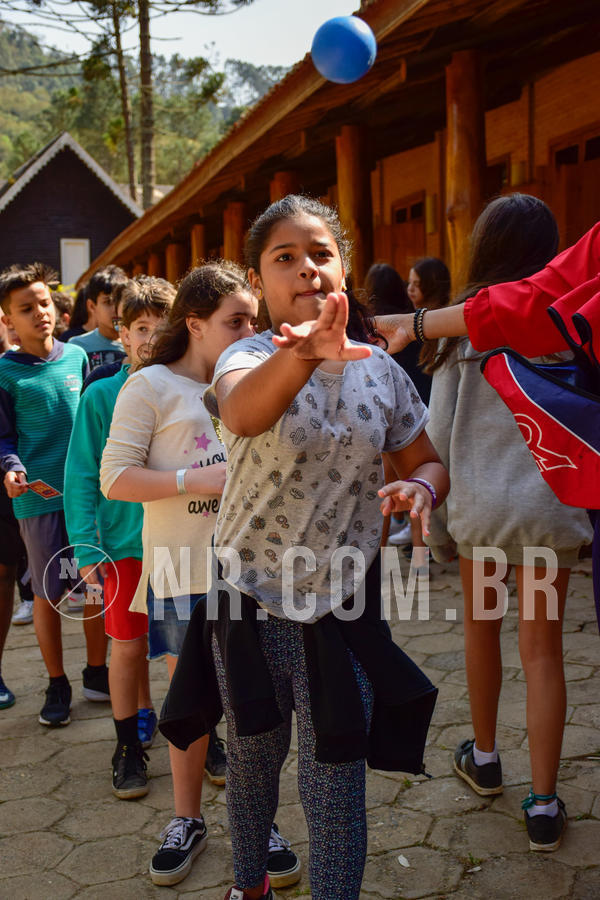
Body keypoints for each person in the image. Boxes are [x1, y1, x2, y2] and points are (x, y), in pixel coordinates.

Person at [159, 196, 448, 900]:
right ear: (259, 283)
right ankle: (247, 883)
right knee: (255, 764)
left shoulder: (382, 372)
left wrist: (424, 491)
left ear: (342, 265)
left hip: (342, 612)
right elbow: (242, 411)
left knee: (336, 782)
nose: (307, 268)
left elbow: (425, 456)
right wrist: (307, 353)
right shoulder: (246, 356)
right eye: (284, 258)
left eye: (320, 252)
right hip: (250, 604)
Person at [101, 263, 298, 889]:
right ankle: (186, 820)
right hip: (180, 571)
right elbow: (115, 478)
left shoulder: (250, 380)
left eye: (254, 321)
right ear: (194, 324)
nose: (250, 332)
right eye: (235, 322)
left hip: (252, 574)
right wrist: (193, 479)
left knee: (253, 708)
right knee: (192, 708)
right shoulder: (150, 386)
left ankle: (257, 820)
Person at [425, 194, 592, 852]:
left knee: (481, 633)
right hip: (550, 512)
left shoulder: (461, 327)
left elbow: (437, 431)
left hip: (483, 516)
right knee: (544, 652)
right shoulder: (567, 318)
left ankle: (486, 758)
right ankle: (545, 804)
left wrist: (436, 524)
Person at [65, 276, 175, 799]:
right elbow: (82, 474)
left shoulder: (196, 389)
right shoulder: (102, 394)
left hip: (181, 546)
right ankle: (127, 745)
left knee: (188, 653)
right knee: (128, 648)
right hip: (124, 548)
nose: (152, 339)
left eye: (163, 326)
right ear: (122, 335)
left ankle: (201, 733)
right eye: (140, 328)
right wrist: (85, 546)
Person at [0, 262, 109, 726]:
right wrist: (12, 468)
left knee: (94, 588)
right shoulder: (4, 373)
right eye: (26, 308)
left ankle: (97, 671)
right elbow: (4, 438)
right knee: (47, 594)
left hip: (85, 496)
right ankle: (56, 681)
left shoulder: (78, 359)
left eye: (44, 302)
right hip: (35, 501)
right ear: (8, 320)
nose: (40, 313)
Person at [69, 266, 128, 370]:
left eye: (119, 301)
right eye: (108, 302)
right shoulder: (77, 346)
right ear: (91, 306)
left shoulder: (136, 344)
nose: (116, 309)